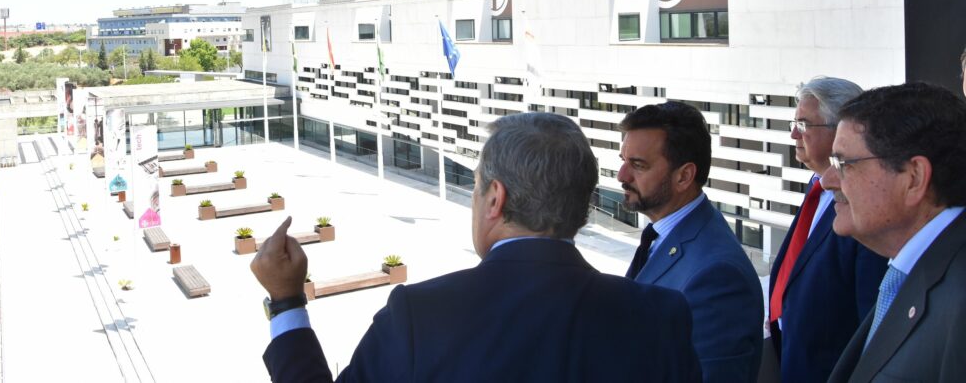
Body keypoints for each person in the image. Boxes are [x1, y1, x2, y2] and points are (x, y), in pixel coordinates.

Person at [252, 112, 702, 382]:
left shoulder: (417, 315)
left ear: (495, 199)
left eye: (476, 190)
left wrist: (288, 300)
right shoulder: (660, 317)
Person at [823, 83, 966, 382]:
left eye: (843, 163)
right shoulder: (913, 271)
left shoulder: (959, 297)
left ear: (914, 178)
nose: (827, 180)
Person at [618, 101, 763, 383]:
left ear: (684, 176)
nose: (623, 176)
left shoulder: (719, 276)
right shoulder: (661, 236)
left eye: (637, 165)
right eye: (622, 161)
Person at [765, 78, 886, 382]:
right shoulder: (816, 185)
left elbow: (870, 327)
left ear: (840, 130)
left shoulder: (866, 206)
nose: (793, 134)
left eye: (804, 125)